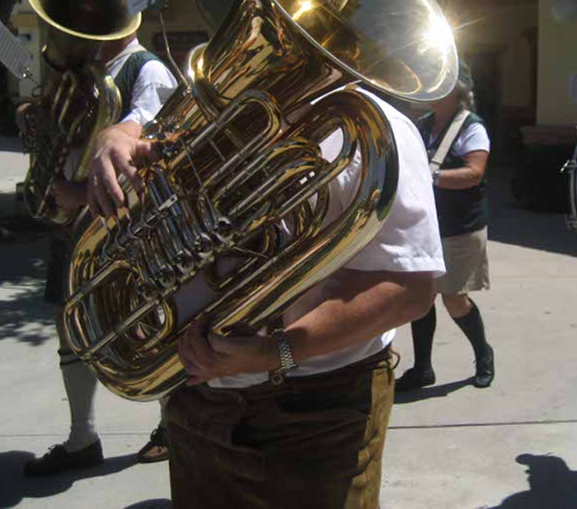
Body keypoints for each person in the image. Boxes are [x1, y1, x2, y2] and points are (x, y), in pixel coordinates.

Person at [85, 84, 444, 507]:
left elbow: (410, 288)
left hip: (317, 416)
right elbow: (141, 135)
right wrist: (116, 136)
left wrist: (273, 352)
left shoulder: (377, 132)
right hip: (192, 399)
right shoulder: (206, 101)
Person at [22, 27, 179, 475]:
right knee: (68, 324)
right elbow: (69, 135)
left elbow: (147, 149)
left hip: (126, 224)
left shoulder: (146, 69)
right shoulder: (85, 74)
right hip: (75, 223)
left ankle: (171, 425)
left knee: (152, 319)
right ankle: (82, 437)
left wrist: (77, 191)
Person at [395, 60, 495, 391]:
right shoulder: (422, 125)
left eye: (439, 85)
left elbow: (474, 173)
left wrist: (430, 175)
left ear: (457, 91)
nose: (430, 91)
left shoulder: (471, 127)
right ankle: (423, 369)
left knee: (454, 299)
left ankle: (484, 355)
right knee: (421, 299)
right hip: (426, 228)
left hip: (460, 229)